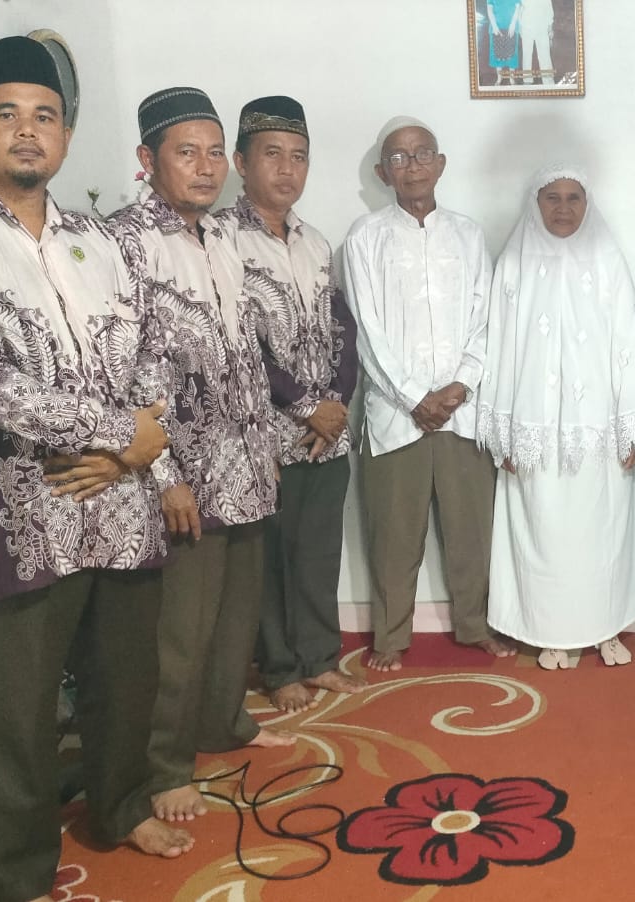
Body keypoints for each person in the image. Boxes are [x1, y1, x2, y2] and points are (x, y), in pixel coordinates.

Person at [0, 36, 192, 901]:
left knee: (123, 680)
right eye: (6, 113)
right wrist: (121, 436)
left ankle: (122, 805)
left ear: (64, 134)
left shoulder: (102, 242)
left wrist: (139, 447)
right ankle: (17, 877)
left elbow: (154, 349)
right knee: (15, 713)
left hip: (121, 505)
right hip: (19, 511)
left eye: (45, 115)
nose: (28, 131)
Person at [108, 86, 293, 826]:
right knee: (179, 633)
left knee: (233, 617)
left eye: (216, 152)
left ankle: (224, 723)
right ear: (147, 158)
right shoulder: (126, 242)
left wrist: (264, 445)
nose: (206, 166)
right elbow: (126, 370)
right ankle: (165, 766)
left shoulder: (221, 236)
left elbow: (246, 354)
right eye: (187, 152)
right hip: (181, 474)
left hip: (243, 462)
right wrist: (163, 477)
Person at [344, 116, 509, 672]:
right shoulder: (365, 238)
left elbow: (485, 319)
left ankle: (476, 625)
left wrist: (460, 385)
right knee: (394, 535)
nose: (411, 165)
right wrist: (417, 397)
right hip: (397, 417)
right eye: (398, 157)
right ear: (382, 172)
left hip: (462, 413)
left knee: (471, 532)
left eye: (421, 154)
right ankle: (391, 637)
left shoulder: (468, 234)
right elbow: (367, 331)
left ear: (440, 164)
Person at [216, 96, 363, 714]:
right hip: (265, 436)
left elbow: (341, 328)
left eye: (298, 156)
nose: (287, 169)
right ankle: (279, 669)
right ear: (240, 163)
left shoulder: (315, 242)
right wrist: (306, 406)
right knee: (269, 559)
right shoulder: (219, 241)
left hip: (328, 433)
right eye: (272, 154)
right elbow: (235, 345)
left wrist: (336, 404)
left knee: (319, 553)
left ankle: (319, 658)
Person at [477, 164, 635, 670]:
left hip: (596, 429)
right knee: (544, 532)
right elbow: (499, 347)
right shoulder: (514, 261)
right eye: (551, 197)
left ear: (587, 203)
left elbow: (627, 345)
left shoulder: (607, 257)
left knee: (600, 533)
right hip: (534, 429)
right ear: (535, 203)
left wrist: (632, 428)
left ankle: (605, 628)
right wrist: (503, 433)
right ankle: (549, 632)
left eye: (573, 197)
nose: (562, 208)